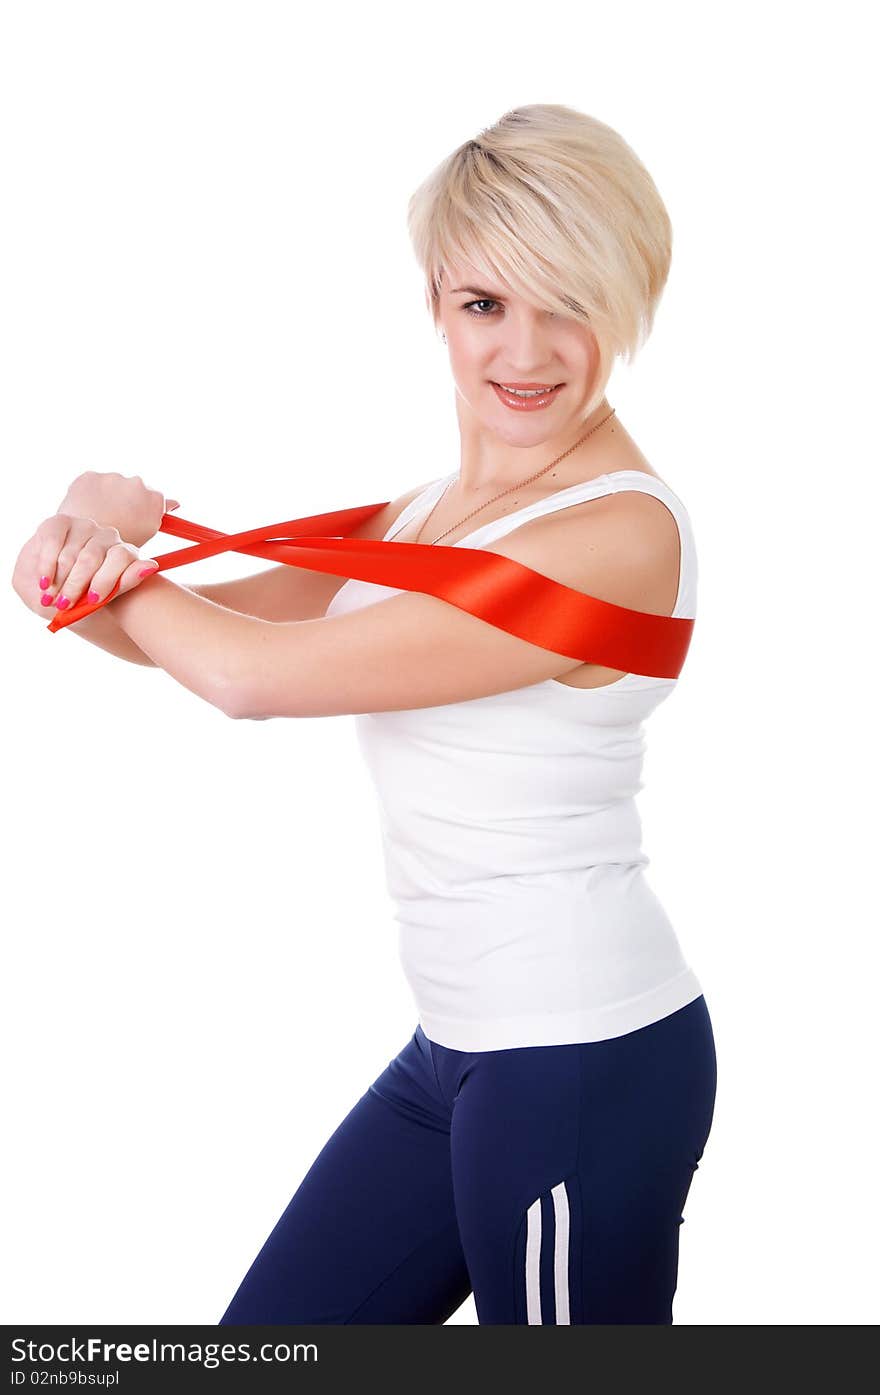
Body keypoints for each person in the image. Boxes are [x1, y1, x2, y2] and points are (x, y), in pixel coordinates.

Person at [12, 102, 717, 1324]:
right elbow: (171, 636)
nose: (527, 350)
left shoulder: (616, 533)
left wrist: (99, 540)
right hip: (453, 1055)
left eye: (570, 303)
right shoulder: (421, 514)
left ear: (628, 299)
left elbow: (243, 675)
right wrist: (80, 535)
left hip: (580, 1059)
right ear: (437, 307)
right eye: (487, 305)